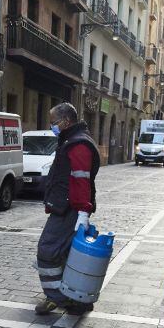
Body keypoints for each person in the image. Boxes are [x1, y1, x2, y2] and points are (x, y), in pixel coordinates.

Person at [34, 102, 101, 315]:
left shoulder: (78, 144)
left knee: (48, 250)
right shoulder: (73, 140)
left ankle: (57, 297)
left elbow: (81, 179)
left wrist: (83, 212)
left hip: (69, 209)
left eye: (54, 122)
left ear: (66, 121)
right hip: (66, 207)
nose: (52, 125)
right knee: (67, 254)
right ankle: (77, 300)